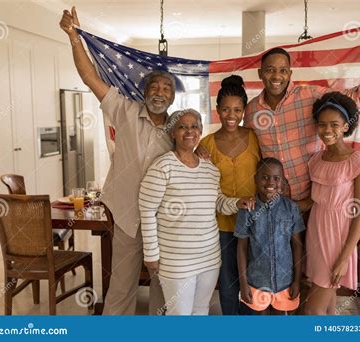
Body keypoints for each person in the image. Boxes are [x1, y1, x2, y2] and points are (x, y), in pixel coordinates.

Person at [60, 7, 175, 315]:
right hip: (126, 217)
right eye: (155, 86)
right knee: (121, 288)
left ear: (173, 97)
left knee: (162, 289)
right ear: (145, 90)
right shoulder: (124, 111)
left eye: (167, 88)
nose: (160, 92)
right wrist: (74, 38)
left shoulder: (179, 129)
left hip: (164, 221)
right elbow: (89, 76)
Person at [244, 22, 360, 213]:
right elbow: (250, 153)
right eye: (270, 70)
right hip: (275, 207)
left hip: (315, 204)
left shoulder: (310, 95)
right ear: (260, 73)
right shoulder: (252, 111)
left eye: (283, 70)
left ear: (290, 74)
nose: (276, 76)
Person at [139, 109, 255, 315]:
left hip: (209, 258)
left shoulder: (210, 169)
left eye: (194, 127)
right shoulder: (162, 166)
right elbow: (147, 210)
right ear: (172, 132)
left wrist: (238, 203)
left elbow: (218, 203)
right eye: (182, 127)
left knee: (201, 311)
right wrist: (151, 254)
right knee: (179, 315)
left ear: (200, 132)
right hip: (176, 260)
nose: (189, 131)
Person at [196, 75, 260, 315]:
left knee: (253, 276)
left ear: (244, 110)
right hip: (220, 225)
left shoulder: (255, 138)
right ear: (217, 110)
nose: (231, 115)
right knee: (227, 280)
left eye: (237, 109)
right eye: (225, 109)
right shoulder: (206, 144)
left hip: (254, 222)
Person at [304, 92, 360, 315]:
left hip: (337, 237)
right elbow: (315, 200)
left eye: (334, 124)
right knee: (328, 304)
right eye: (322, 124)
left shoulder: (357, 161)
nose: (327, 130)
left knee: (312, 312)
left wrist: (344, 258)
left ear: (345, 126)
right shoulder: (315, 160)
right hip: (316, 230)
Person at [235, 158, 304, 315]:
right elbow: (241, 248)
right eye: (265, 177)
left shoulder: (291, 208)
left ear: (282, 181)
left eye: (276, 178)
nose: (270, 182)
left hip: (285, 283)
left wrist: (297, 281)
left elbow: (297, 247)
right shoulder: (247, 210)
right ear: (255, 179)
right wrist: (243, 283)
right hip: (256, 282)